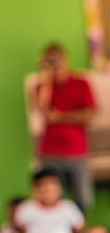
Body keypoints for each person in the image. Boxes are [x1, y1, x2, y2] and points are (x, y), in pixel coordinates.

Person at [32, 42, 97, 211]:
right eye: (50, 60)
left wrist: (61, 117)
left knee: (83, 200)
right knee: (53, 201)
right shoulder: (42, 86)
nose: (55, 64)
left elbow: (90, 114)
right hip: (50, 152)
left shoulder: (81, 83)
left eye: (57, 59)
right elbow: (42, 110)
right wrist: (46, 79)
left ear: (66, 59)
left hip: (77, 151)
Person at [15, 168, 84, 233]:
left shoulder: (69, 208)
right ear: (35, 189)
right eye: (44, 186)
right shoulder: (26, 209)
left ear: (60, 189)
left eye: (53, 186)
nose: (48, 190)